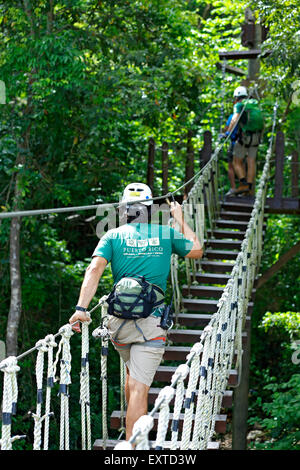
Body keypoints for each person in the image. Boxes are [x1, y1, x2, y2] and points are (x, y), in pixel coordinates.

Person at [69, 182, 203, 440]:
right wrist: (180, 219)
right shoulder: (165, 234)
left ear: (123, 210)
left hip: (118, 324)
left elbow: (94, 270)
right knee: (139, 388)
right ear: (151, 209)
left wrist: (81, 308)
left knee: (132, 376)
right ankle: (132, 448)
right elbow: (197, 250)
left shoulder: (112, 236)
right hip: (151, 323)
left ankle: (130, 434)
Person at [226, 86, 264, 196]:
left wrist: (227, 133)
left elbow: (234, 119)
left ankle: (243, 184)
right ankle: (249, 185)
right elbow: (262, 122)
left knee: (236, 162)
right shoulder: (254, 104)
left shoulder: (239, 105)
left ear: (236, 97)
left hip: (245, 137)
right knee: (251, 161)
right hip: (256, 137)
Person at [222, 113, 239, 196]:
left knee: (231, 166)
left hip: (234, 143)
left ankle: (233, 188)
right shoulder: (250, 115)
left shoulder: (233, 116)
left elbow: (226, 128)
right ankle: (245, 190)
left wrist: (225, 132)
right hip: (248, 144)